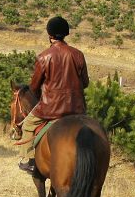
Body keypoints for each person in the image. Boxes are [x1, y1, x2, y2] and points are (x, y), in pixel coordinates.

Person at [19, 16, 89, 173]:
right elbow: (85, 83)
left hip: (50, 109)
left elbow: (34, 87)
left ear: (49, 34)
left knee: (27, 125)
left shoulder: (44, 56)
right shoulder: (78, 55)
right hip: (77, 109)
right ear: (65, 34)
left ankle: (29, 160)